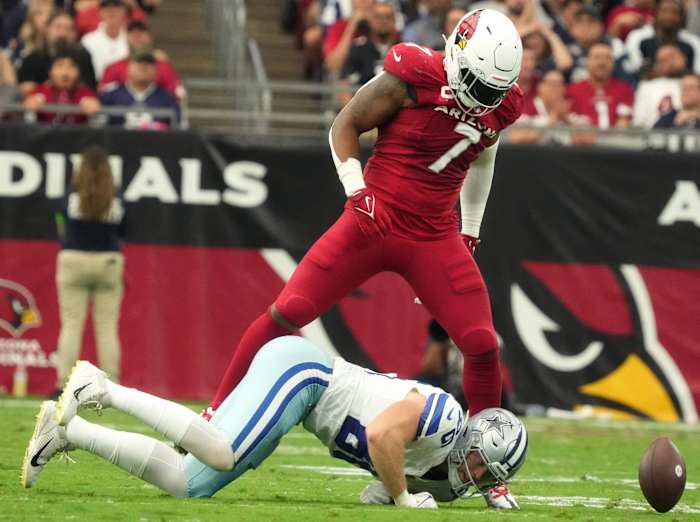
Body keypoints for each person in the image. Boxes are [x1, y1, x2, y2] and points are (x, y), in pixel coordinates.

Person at [208, 11, 524, 506]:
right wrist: (358, 192)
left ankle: (484, 467)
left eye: (492, 92)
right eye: (477, 86)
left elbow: (484, 155)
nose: (482, 101)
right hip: (373, 218)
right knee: (289, 311)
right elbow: (346, 124)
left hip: (434, 236)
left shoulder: (497, 103)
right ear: (458, 56)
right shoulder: (413, 74)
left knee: (482, 344)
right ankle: (214, 413)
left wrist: (469, 231)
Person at [21, 336, 529, 510]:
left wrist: (494, 491)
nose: (478, 476)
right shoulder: (446, 418)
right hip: (304, 374)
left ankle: (68, 432)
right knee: (219, 450)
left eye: (489, 476)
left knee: (189, 484)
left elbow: (387, 471)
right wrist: (399, 495)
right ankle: (101, 387)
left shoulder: (452, 481)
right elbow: (380, 435)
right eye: (482, 466)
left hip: (303, 404)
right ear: (473, 441)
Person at [51, 145, 126, 396]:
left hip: (73, 258)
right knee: (106, 327)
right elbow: (124, 230)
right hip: (108, 261)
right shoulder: (116, 198)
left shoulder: (70, 196)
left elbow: (59, 220)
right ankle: (111, 385)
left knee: (71, 325)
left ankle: (62, 383)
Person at [17, 10, 97, 98]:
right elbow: (26, 91)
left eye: (68, 29)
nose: (62, 33)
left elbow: (91, 91)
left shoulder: (83, 57)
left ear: (74, 34)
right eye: (58, 27)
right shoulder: (32, 59)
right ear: (47, 29)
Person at [99, 20, 185, 100]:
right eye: (132, 33)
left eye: (141, 32)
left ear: (149, 37)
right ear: (126, 37)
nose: (137, 36)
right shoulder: (114, 67)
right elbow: (103, 95)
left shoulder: (162, 67)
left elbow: (177, 94)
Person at [337, 1, 400, 107]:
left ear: (395, 21)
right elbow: (343, 86)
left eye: (388, 17)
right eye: (378, 17)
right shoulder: (358, 48)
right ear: (370, 21)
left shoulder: (405, 49)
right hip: (363, 112)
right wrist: (357, 117)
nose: (383, 21)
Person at [99, 46, 180, 129]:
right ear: (128, 67)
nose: (143, 66)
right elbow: (97, 128)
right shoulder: (110, 96)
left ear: (156, 70)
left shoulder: (168, 99)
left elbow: (178, 131)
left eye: (149, 63)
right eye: (138, 62)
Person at [23, 47, 101, 124]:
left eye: (72, 66)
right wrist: (31, 110)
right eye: (59, 65)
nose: (65, 73)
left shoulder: (86, 93)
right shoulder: (39, 91)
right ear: (50, 71)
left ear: (79, 72)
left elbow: (98, 125)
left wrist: (94, 114)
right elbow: (28, 123)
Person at [567, 41, 635, 129]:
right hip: (582, 141)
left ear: (613, 63)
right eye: (597, 57)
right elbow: (572, 122)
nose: (602, 63)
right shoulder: (573, 90)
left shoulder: (623, 89)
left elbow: (623, 121)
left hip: (614, 140)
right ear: (587, 61)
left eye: (607, 58)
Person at [625, 0, 700, 78]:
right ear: (655, 13)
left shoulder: (692, 41)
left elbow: (698, 72)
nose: (669, 16)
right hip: (648, 87)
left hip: (684, 86)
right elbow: (633, 70)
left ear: (681, 17)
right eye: (664, 11)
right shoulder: (638, 36)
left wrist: (681, 69)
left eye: (675, 12)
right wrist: (660, 69)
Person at [633, 43, 687, 128]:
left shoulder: (693, 83)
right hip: (652, 135)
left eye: (672, 57)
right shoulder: (646, 86)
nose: (670, 63)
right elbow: (639, 121)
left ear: (683, 58)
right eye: (663, 60)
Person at [81, 0, 129, 80]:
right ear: (99, 12)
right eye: (106, 6)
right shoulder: (87, 41)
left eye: (116, 6)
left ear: (124, 11)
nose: (111, 11)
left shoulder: (131, 39)